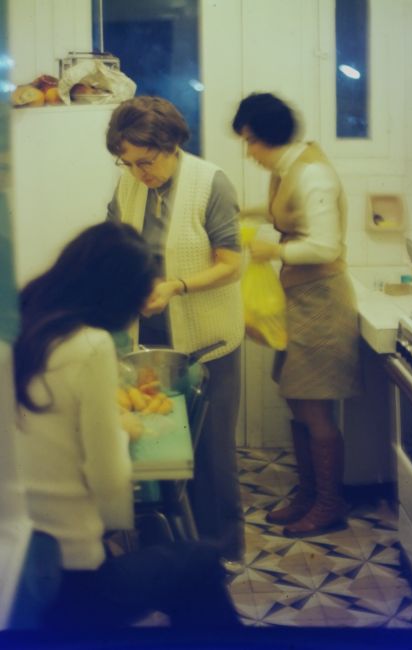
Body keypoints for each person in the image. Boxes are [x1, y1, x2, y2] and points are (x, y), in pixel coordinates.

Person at [13, 221, 241, 631]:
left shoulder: (24, 323)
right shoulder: (89, 346)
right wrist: (123, 428)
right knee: (201, 561)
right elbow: (109, 485)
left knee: (187, 569)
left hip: (18, 567)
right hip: (69, 578)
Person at [105, 96, 245, 571]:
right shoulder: (128, 184)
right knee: (158, 453)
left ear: (171, 144)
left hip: (207, 343)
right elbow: (117, 245)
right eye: (128, 162)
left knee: (210, 456)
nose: (138, 172)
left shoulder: (211, 183)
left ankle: (219, 553)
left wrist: (177, 286)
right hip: (147, 342)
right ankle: (167, 554)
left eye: (146, 161)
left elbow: (232, 265)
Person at [231, 93, 362, 538]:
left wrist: (275, 249)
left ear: (267, 136)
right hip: (300, 298)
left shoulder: (313, 175)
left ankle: (329, 503)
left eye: (249, 141)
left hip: (322, 301)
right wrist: (240, 211)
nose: (248, 152)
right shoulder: (288, 169)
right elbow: (283, 214)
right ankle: (308, 493)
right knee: (296, 396)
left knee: (313, 404)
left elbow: (325, 247)